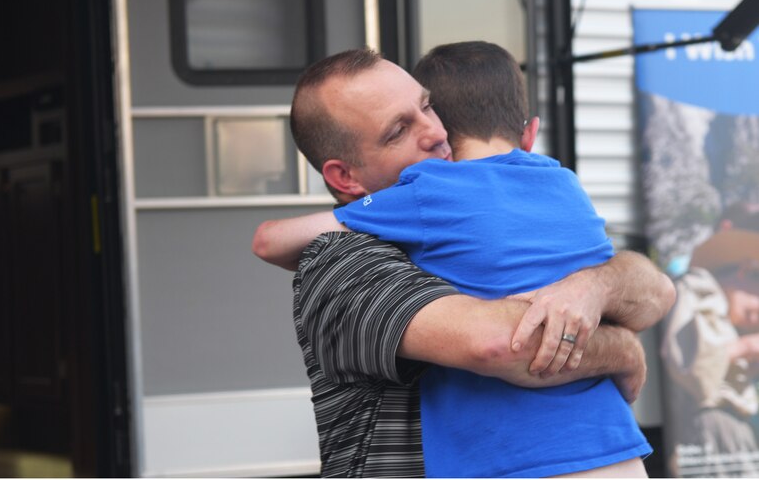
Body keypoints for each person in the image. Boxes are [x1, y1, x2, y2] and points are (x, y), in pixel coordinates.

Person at [253, 46, 675, 477]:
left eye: (426, 106)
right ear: (345, 177)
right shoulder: (340, 260)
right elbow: (504, 343)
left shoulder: (457, 203)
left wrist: (595, 286)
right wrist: (621, 347)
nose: (437, 133)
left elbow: (658, 288)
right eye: (398, 130)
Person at [661, 202, 759, 477]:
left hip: (734, 433)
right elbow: (689, 366)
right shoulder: (697, 287)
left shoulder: (724, 314)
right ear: (744, 270)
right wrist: (747, 347)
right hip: (708, 431)